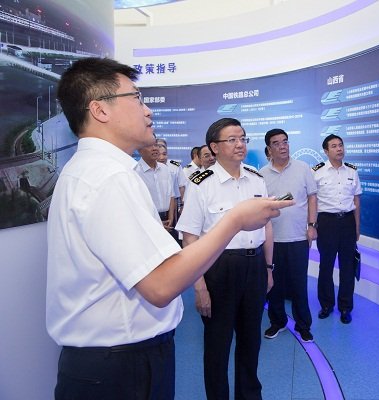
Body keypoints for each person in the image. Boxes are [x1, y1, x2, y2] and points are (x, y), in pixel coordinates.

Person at [46, 58, 291, 400]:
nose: (148, 111)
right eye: (137, 98)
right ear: (100, 110)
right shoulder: (109, 178)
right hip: (122, 368)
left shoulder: (91, 170)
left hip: (114, 362)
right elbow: (160, 285)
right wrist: (235, 220)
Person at [176, 117, 273, 400]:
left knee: (251, 341)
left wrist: (268, 268)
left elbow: (267, 227)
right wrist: (199, 287)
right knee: (217, 345)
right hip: (218, 269)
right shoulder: (201, 184)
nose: (240, 144)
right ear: (214, 147)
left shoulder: (256, 178)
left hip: (255, 266)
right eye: (232, 139)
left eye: (242, 138)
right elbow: (190, 238)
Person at [259, 128, 317, 342]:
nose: (282, 146)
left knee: (299, 284)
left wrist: (312, 225)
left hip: (298, 237)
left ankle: (304, 325)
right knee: (274, 284)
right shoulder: (262, 174)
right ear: (269, 149)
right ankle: (278, 322)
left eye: (285, 141)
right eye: (276, 143)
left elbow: (312, 198)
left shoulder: (303, 168)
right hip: (272, 239)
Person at [312, 134, 362, 324]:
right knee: (326, 265)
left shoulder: (352, 171)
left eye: (341, 145)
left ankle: (345, 307)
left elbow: (357, 200)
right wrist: (312, 225)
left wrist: (357, 227)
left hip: (347, 222)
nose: (339, 149)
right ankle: (326, 305)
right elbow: (312, 201)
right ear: (326, 151)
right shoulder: (317, 172)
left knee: (347, 267)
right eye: (334, 146)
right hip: (326, 222)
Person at [135, 140, 176, 231]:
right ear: (139, 150)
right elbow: (137, 203)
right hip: (148, 221)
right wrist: (156, 222)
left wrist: (171, 218)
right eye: (149, 146)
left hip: (168, 220)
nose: (154, 149)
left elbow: (171, 195)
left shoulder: (165, 168)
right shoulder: (135, 172)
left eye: (156, 145)